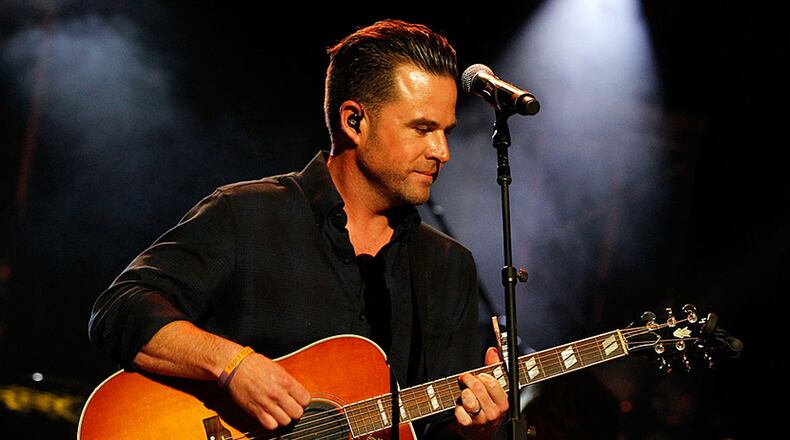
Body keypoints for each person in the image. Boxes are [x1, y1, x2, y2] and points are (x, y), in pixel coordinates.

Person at [89, 19, 508, 440]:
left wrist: (479, 429)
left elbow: (443, 431)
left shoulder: (448, 267)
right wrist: (232, 364)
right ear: (354, 121)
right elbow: (120, 308)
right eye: (423, 129)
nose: (442, 151)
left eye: (446, 132)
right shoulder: (246, 213)